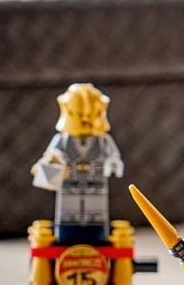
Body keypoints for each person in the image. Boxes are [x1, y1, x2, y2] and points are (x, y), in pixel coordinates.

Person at [31, 83, 124, 245]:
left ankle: (96, 235)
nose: (84, 120)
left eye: (89, 115)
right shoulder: (61, 140)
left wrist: (113, 163)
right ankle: (68, 233)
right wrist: (52, 160)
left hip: (96, 184)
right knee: (68, 212)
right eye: (79, 115)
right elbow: (50, 155)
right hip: (69, 184)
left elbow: (113, 155)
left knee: (96, 212)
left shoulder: (103, 141)